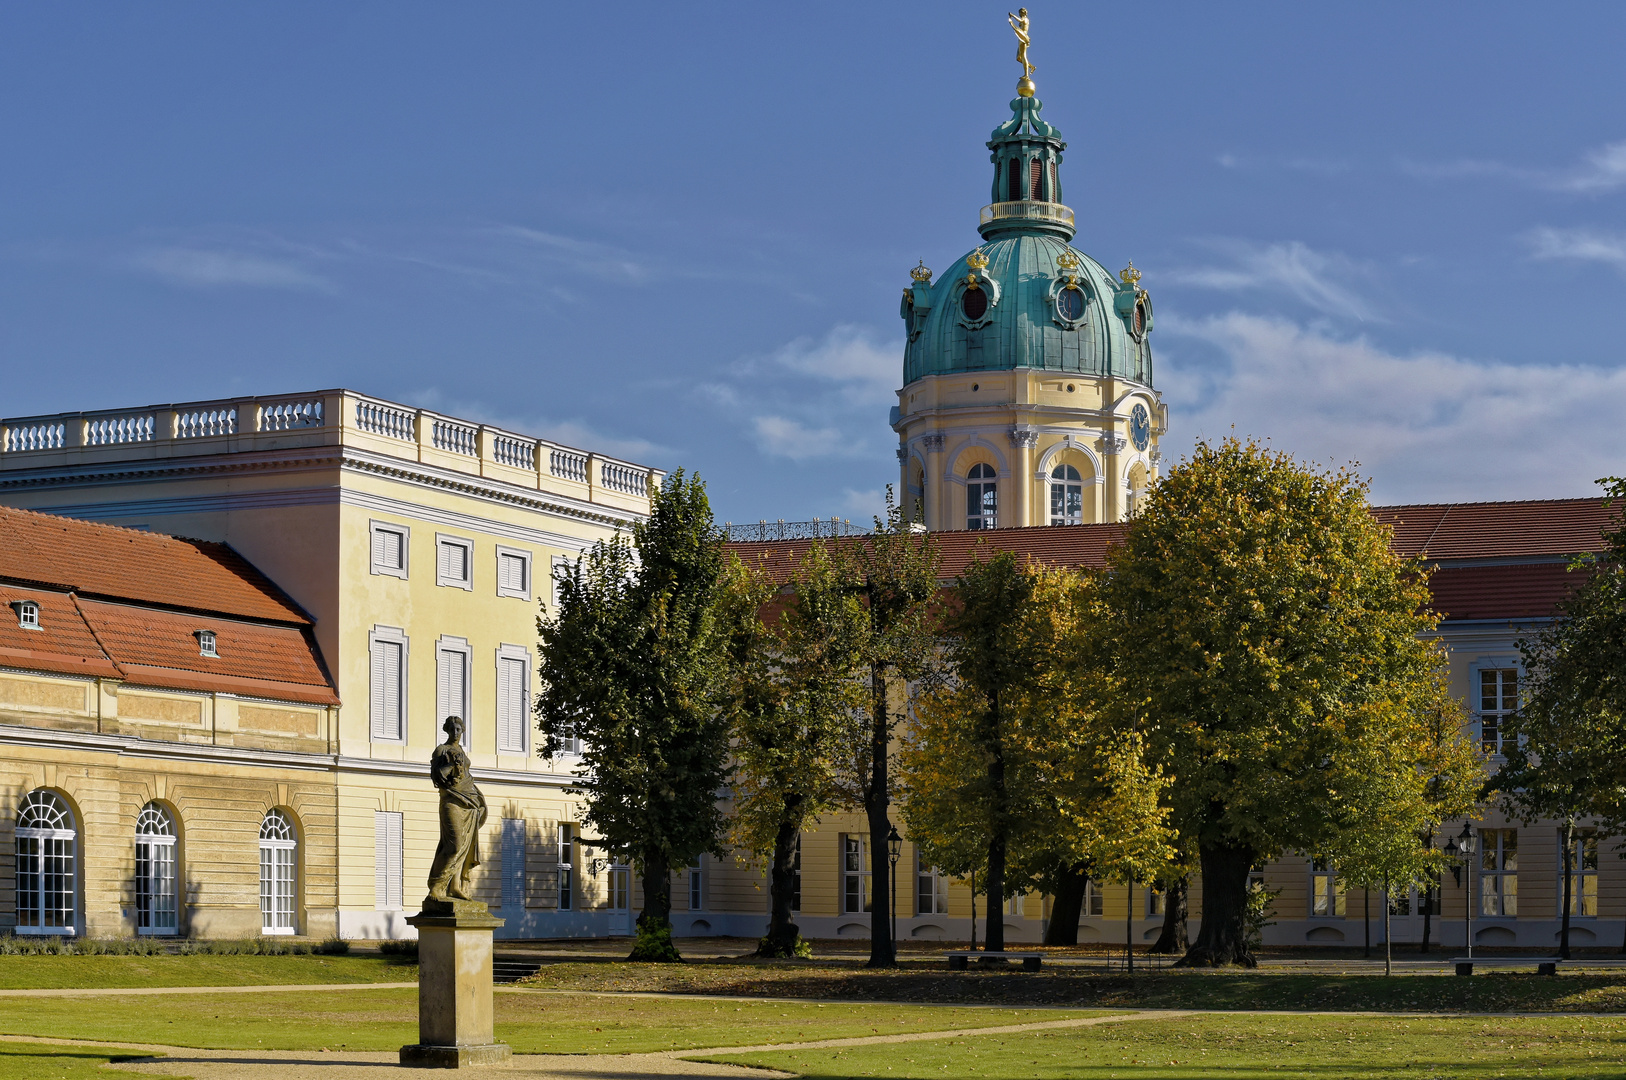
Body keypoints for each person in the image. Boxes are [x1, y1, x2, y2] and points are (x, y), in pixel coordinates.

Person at [425, 715, 487, 903]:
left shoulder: (462, 752)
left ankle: (455, 887)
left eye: (458, 729)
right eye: (452, 729)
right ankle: (436, 886)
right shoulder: (441, 750)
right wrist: (452, 764)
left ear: (463, 731)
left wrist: (480, 802)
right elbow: (436, 776)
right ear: (446, 729)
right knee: (454, 845)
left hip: (469, 802)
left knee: (464, 848)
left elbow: (467, 778)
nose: (455, 732)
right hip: (451, 800)